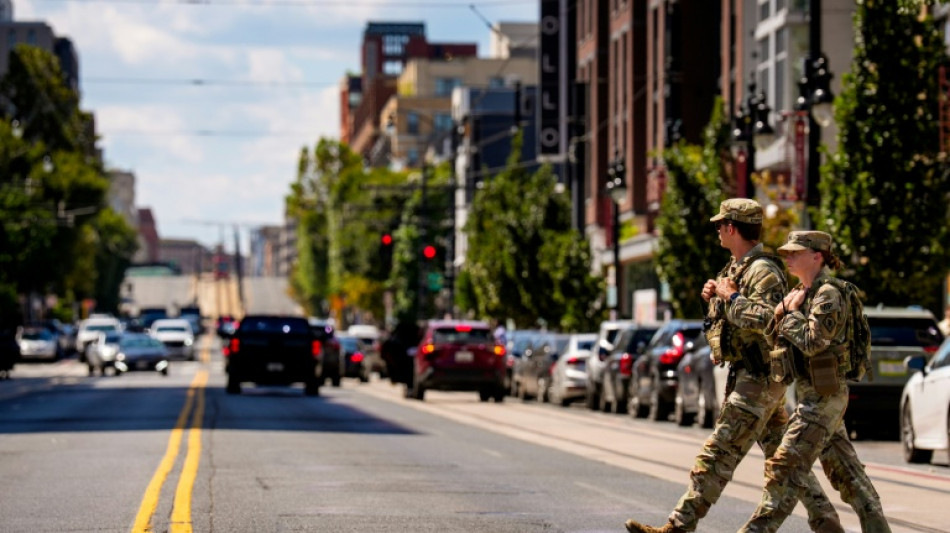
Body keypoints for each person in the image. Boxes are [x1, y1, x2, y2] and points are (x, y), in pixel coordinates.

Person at [624, 200, 841, 533]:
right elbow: (728, 319)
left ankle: (678, 527)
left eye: (720, 225)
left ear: (732, 228)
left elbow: (772, 321)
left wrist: (731, 298)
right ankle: (826, 522)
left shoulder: (763, 271)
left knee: (718, 452)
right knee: (786, 463)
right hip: (751, 377)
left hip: (759, 379)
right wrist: (715, 297)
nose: (718, 231)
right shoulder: (735, 269)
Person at [739, 231, 890, 533]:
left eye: (796, 252)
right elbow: (778, 339)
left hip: (824, 398)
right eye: (787, 253)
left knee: (784, 468)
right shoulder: (803, 292)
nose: (789, 257)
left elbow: (813, 341)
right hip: (815, 396)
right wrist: (781, 314)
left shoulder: (828, 294)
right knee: (850, 478)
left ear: (817, 256)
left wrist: (790, 314)